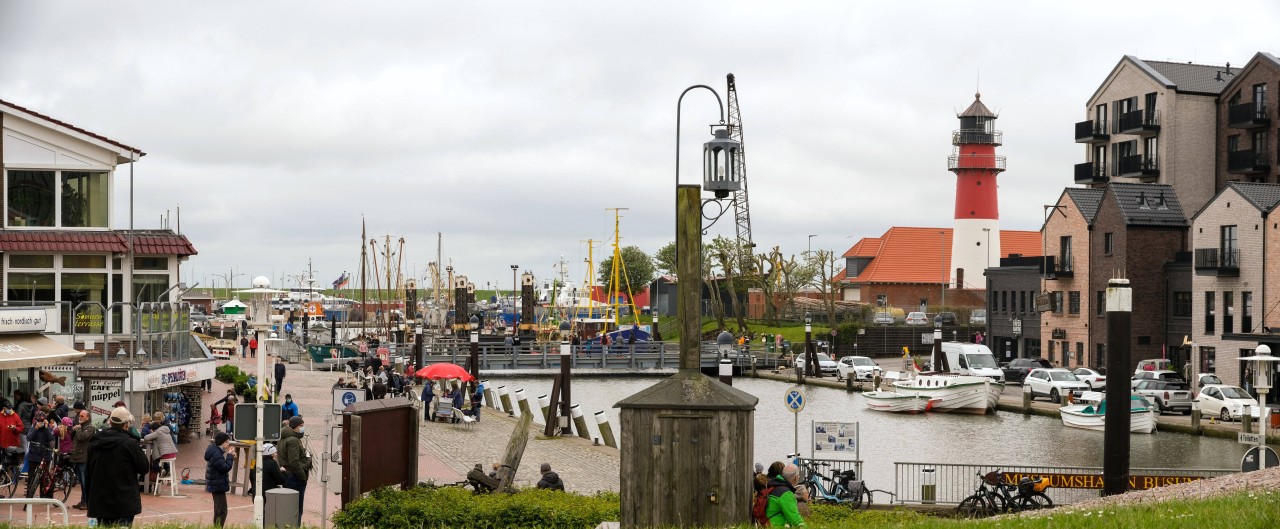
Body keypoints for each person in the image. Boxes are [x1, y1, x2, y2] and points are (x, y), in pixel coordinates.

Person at [87, 407, 147, 527]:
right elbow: (144, 467)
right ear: (126, 424)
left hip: (100, 500)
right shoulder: (130, 443)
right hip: (124, 500)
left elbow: (88, 471)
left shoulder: (95, 442)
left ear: (110, 422)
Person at [278, 415, 312, 522]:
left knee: (290, 508)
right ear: (294, 427)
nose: (302, 428)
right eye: (301, 426)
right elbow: (294, 462)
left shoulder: (284, 437)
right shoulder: (293, 440)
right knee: (296, 510)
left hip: (288, 475)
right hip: (295, 477)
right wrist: (302, 477)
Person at [205, 432, 236, 528]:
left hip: (216, 484)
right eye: (227, 442)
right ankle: (218, 527)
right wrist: (230, 456)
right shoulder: (217, 454)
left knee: (218, 510)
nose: (228, 444)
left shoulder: (216, 452)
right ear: (222, 443)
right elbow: (225, 467)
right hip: (217, 485)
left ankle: (217, 526)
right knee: (222, 511)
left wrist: (230, 457)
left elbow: (222, 465)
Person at [142, 412, 178, 484]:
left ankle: (160, 470)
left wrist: (152, 433)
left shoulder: (157, 432)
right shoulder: (166, 428)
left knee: (154, 457)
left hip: (166, 454)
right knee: (156, 455)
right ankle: (165, 470)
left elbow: (146, 438)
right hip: (172, 453)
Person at [70, 409, 95, 510]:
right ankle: (83, 501)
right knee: (81, 481)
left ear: (88, 417)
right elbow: (73, 438)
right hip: (77, 457)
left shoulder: (90, 427)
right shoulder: (80, 427)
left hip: (84, 458)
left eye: (82, 416)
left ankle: (87, 502)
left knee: (85, 482)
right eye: (79, 415)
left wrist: (78, 429)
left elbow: (82, 437)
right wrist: (74, 430)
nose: (80, 417)